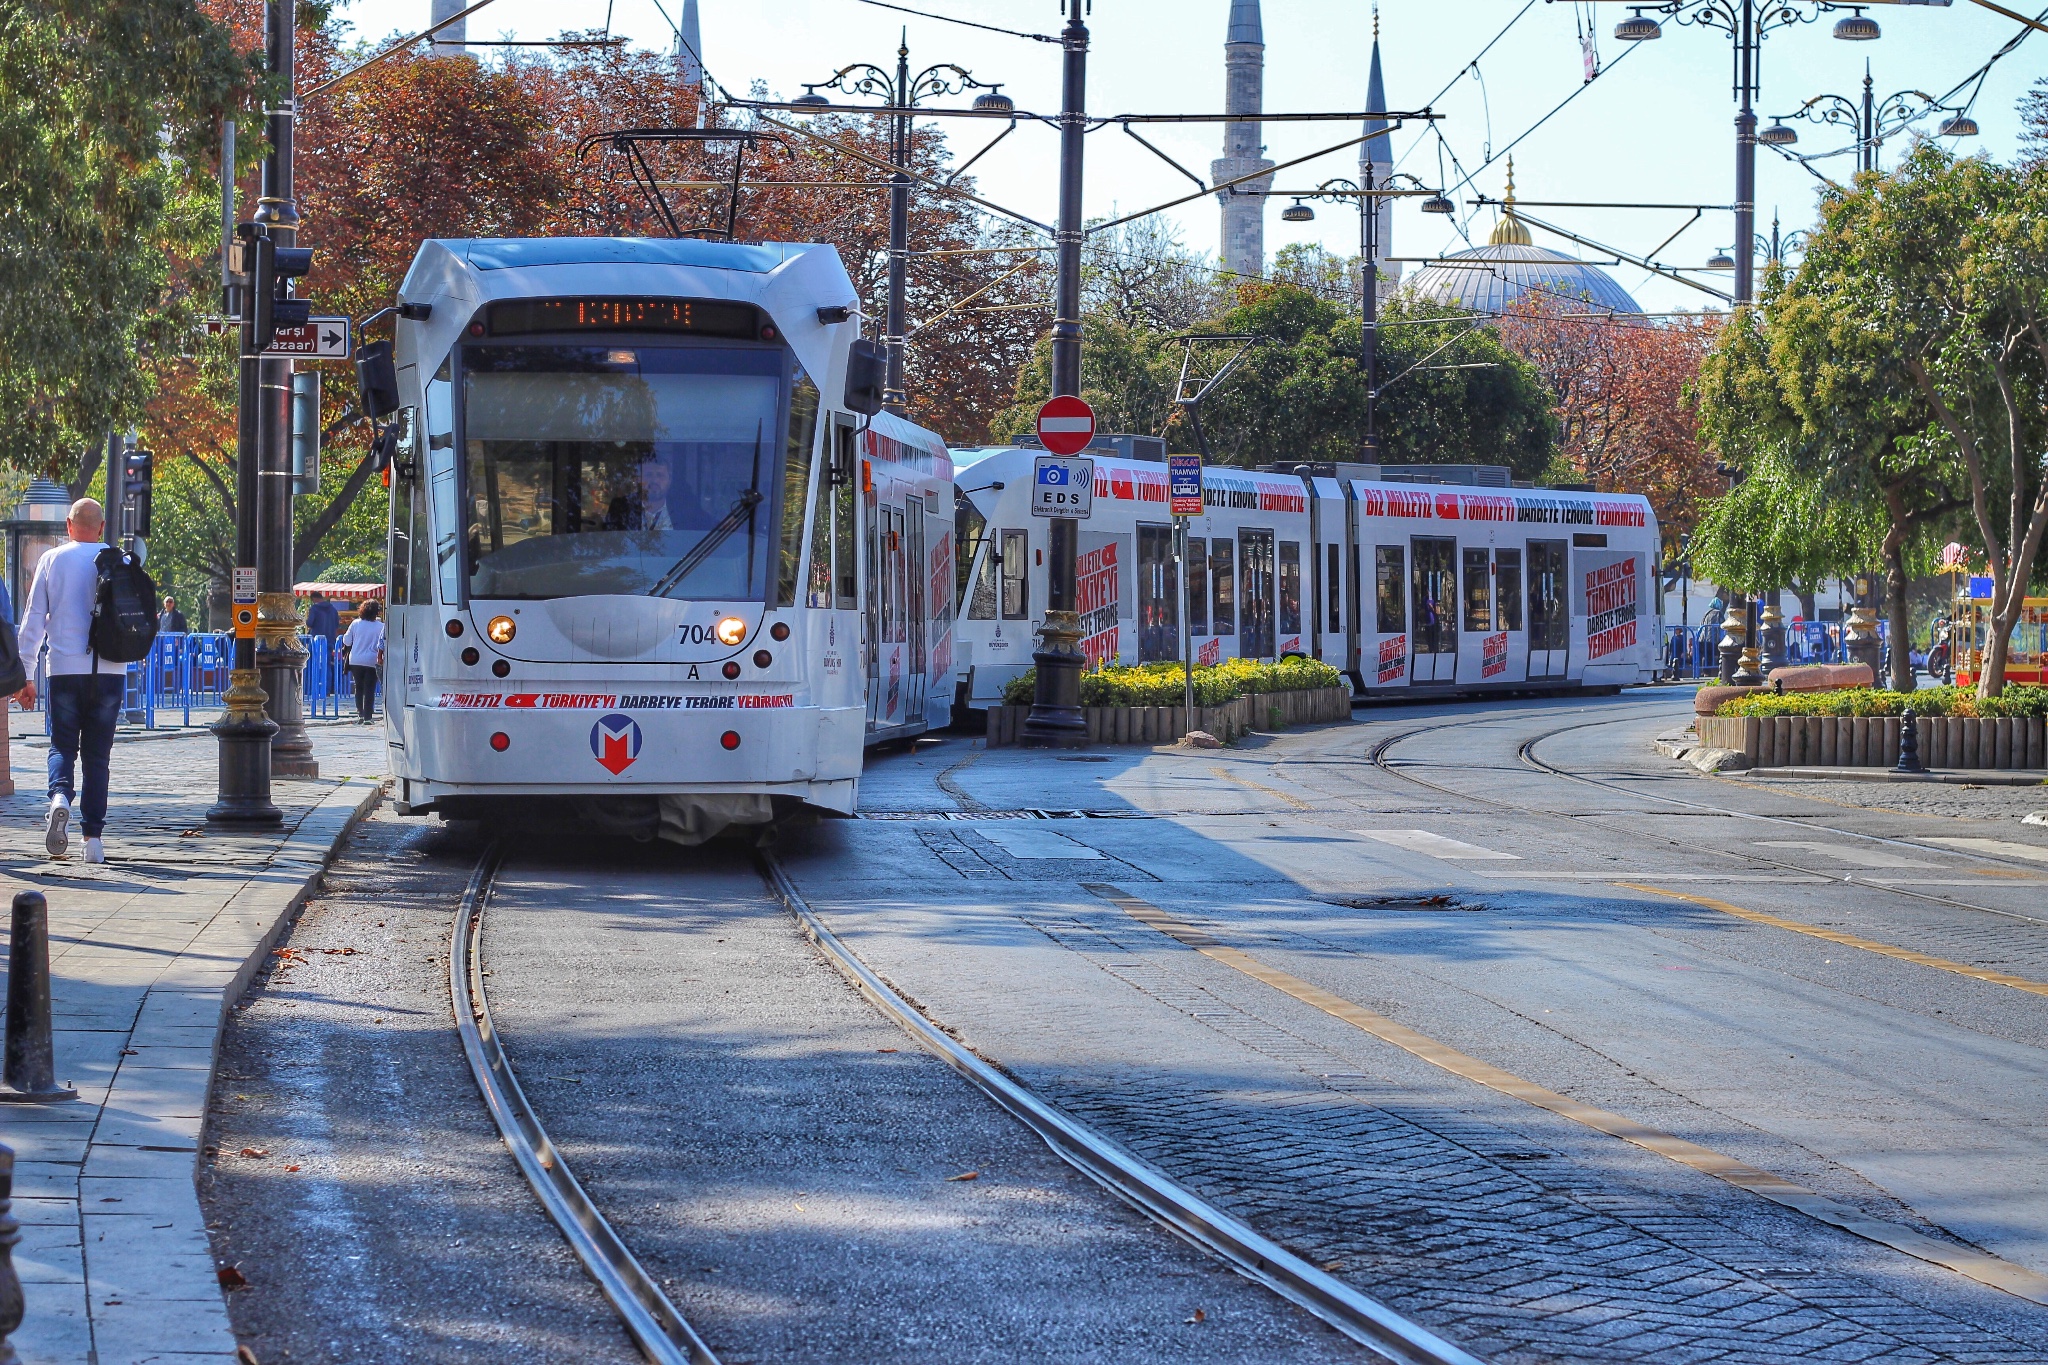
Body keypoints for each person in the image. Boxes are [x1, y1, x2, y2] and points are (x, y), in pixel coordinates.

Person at [14, 499, 127, 863]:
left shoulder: (53, 560)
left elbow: (33, 620)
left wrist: (24, 675)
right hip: (110, 670)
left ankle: (59, 796)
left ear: (68, 525)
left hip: (63, 669)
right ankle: (93, 841)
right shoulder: (120, 560)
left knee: (63, 746)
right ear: (102, 526)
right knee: (98, 757)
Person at [339, 599, 385, 725]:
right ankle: (368, 717)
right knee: (370, 688)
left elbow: (347, 641)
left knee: (359, 687)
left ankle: (360, 713)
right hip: (372, 660)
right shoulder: (381, 626)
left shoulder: (355, 624)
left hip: (355, 659)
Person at [304, 592, 341, 694]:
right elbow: (337, 624)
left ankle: (310, 689)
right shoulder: (333, 609)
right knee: (327, 665)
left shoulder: (314, 609)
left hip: (316, 640)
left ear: (314, 599)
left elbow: (310, 623)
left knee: (311, 664)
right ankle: (326, 690)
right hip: (329, 640)